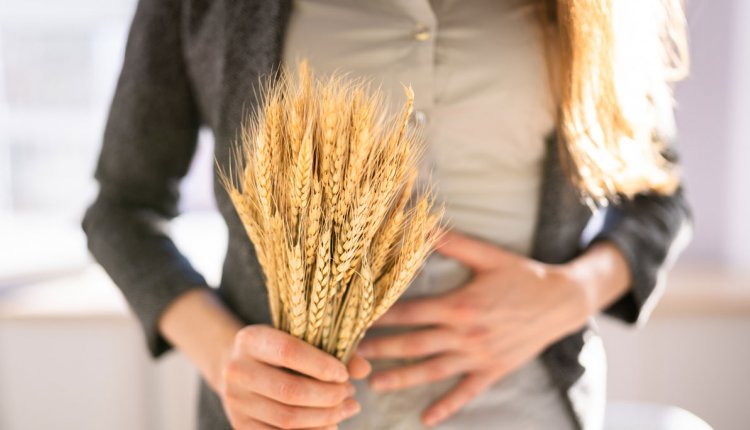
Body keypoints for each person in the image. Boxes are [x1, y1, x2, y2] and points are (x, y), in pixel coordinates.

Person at [82, 0, 692, 429]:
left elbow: (659, 197)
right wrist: (226, 358)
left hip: (526, 414)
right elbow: (122, 209)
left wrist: (573, 291)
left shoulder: (600, 8)